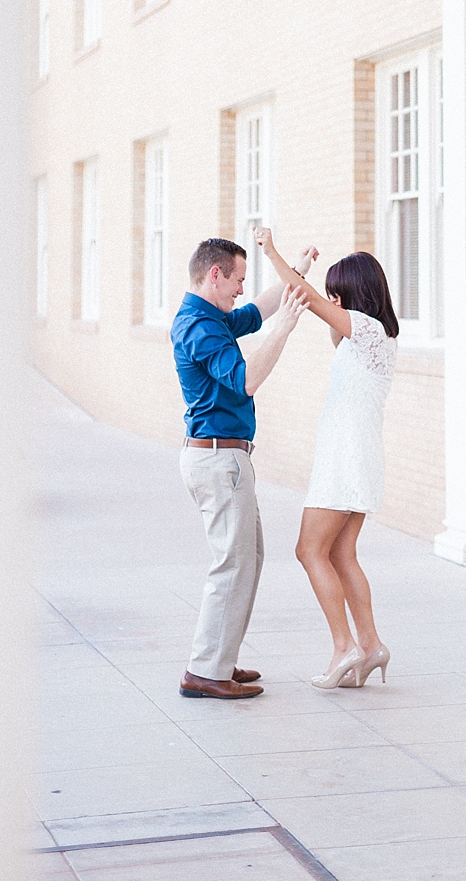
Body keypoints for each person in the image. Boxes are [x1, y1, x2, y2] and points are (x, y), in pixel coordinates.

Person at [253, 228, 398, 690]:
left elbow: (307, 297)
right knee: (339, 552)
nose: (330, 300)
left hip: (346, 458)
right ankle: (370, 645)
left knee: (308, 549)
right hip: (356, 457)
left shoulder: (368, 331)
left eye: (338, 293)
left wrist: (273, 253)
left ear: (354, 294)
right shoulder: (369, 338)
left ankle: (344, 646)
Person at [171, 237, 311, 699]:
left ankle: (219, 660)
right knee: (232, 564)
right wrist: (287, 329)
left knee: (246, 559)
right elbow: (247, 379)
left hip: (224, 456)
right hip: (218, 458)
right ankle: (206, 670)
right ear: (215, 275)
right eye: (237, 281)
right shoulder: (200, 327)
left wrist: (296, 273)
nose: (240, 290)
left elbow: (259, 310)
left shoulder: (212, 317)